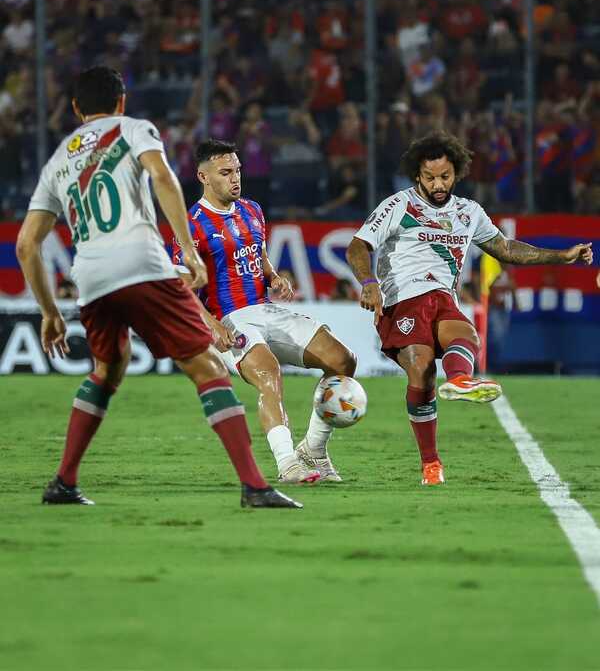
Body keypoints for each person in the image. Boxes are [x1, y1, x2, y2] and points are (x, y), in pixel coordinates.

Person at [16, 66, 300, 509]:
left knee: (108, 370)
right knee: (209, 365)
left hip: (90, 276)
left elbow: (26, 245)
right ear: (122, 102)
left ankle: (64, 483)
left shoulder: (58, 160)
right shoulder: (132, 129)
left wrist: (50, 312)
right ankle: (255, 487)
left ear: (75, 109)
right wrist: (186, 248)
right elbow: (164, 178)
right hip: (142, 265)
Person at [346, 130, 593, 486]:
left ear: (456, 173)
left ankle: (460, 379)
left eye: (444, 176)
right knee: (422, 371)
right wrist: (369, 283)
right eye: (429, 177)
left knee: (464, 332)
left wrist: (561, 256)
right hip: (402, 300)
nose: (437, 183)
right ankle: (431, 463)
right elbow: (357, 247)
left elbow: (506, 249)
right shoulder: (398, 205)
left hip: (443, 297)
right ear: (418, 175)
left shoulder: (468, 211)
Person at [172, 139, 357, 484]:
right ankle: (288, 464)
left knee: (343, 361)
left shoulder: (252, 210)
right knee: (269, 373)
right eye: (225, 172)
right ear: (203, 176)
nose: (235, 178)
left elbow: (258, 255)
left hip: (265, 309)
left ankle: (313, 448)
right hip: (229, 318)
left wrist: (274, 276)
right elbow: (181, 287)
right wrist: (210, 324)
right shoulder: (191, 226)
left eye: (238, 170)